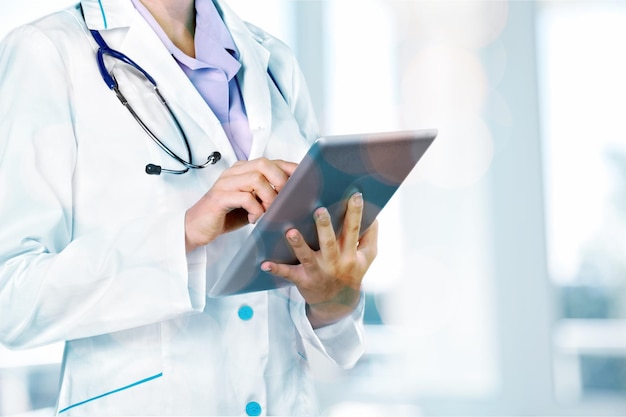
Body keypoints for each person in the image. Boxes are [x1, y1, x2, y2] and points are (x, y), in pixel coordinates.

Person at [0, 0, 378, 415]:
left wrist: (332, 297)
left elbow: (326, 338)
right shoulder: (49, 51)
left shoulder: (273, 62)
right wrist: (183, 233)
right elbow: (13, 300)